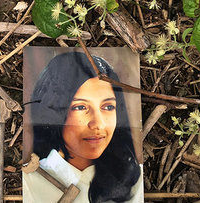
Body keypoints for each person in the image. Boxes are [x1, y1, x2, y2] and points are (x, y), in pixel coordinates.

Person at [23, 52, 142, 203]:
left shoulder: (135, 179)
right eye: (80, 107)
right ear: (53, 113)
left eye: (108, 106)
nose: (98, 124)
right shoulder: (29, 182)